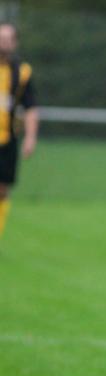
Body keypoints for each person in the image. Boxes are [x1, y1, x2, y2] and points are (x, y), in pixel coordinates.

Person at [0, 23, 38, 244]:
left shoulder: (22, 72)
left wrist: (31, 137)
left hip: (7, 139)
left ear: (15, 43)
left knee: (3, 190)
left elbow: (31, 107)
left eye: (7, 38)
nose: (3, 42)